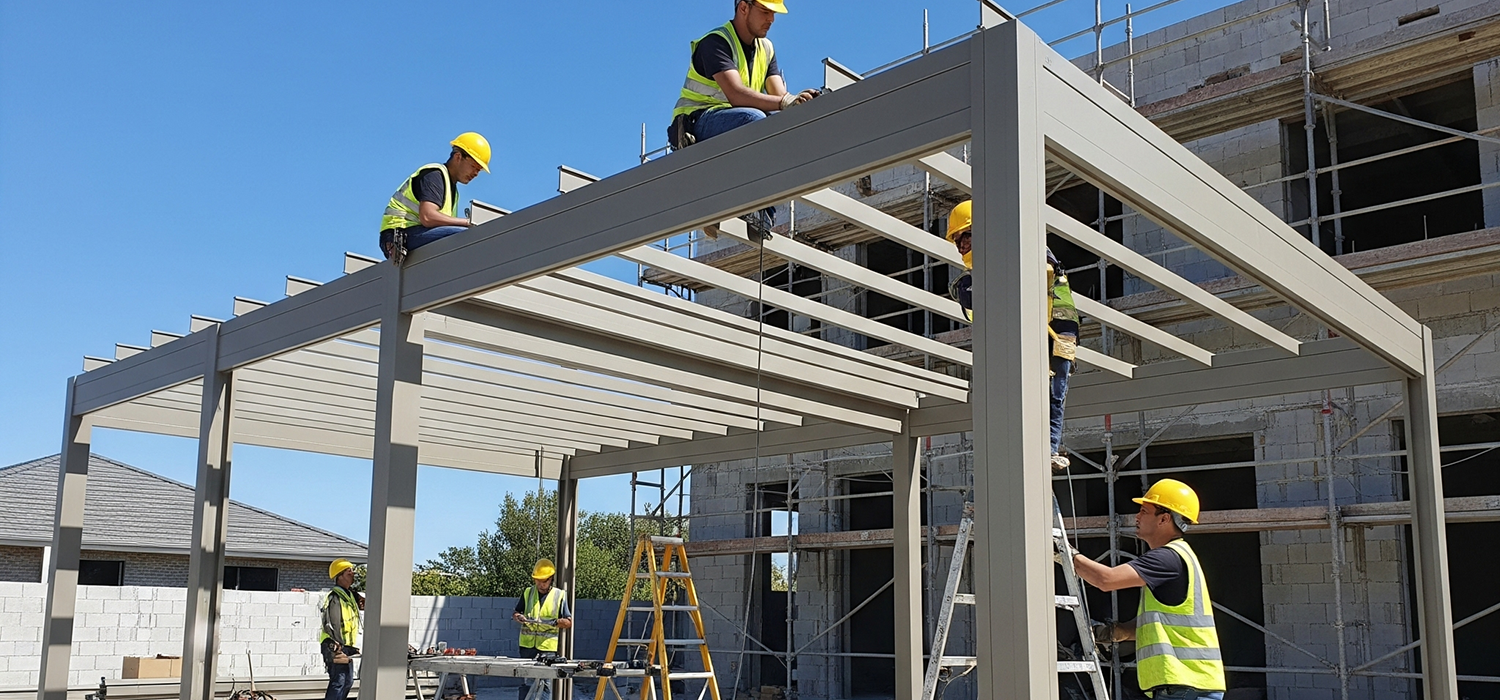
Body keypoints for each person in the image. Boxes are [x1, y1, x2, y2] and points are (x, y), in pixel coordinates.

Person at [944, 199, 1079, 471]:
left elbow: (1042, 274)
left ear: (984, 230)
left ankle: (1048, 448)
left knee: (1052, 391)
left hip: (1057, 331)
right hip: (1032, 329)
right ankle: (1020, 446)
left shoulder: (1022, 244)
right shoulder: (982, 269)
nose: (961, 245)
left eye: (966, 235)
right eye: (957, 240)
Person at [1067, 479, 1226, 700]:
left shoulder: (1166, 558)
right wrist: (1120, 632)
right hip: (1186, 687)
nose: (1137, 517)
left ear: (1164, 519)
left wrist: (1067, 555)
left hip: (1185, 687)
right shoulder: (1178, 556)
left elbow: (1106, 579)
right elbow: (1163, 624)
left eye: (1144, 511)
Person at [670, 0, 820, 148]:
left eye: (773, 13)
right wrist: (784, 102)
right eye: (765, 11)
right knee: (755, 119)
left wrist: (797, 101)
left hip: (735, 115)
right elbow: (736, 95)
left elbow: (780, 96)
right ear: (743, 7)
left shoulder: (766, 49)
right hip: (698, 120)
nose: (771, 19)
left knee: (779, 122)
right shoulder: (716, 43)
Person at [379, 132, 491, 265]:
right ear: (458, 157)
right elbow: (427, 217)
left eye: (479, 170)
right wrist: (468, 222)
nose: (476, 174)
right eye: (474, 167)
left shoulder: (452, 189)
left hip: (414, 233)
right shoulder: (435, 175)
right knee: (465, 236)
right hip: (400, 235)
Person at [511, 559, 572, 699]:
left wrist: (555, 622)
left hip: (547, 649)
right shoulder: (528, 592)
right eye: (537, 580)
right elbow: (515, 612)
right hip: (527, 647)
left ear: (551, 579)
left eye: (543, 581)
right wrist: (519, 617)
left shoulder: (559, 595)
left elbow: (568, 622)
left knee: (544, 685)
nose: (540, 584)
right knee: (527, 681)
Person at [319, 559, 365, 700]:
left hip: (346, 646)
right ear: (340, 576)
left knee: (347, 682)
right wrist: (338, 647)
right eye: (348, 571)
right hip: (334, 645)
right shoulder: (335, 597)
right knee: (338, 682)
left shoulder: (349, 595)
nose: (353, 573)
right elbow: (332, 624)